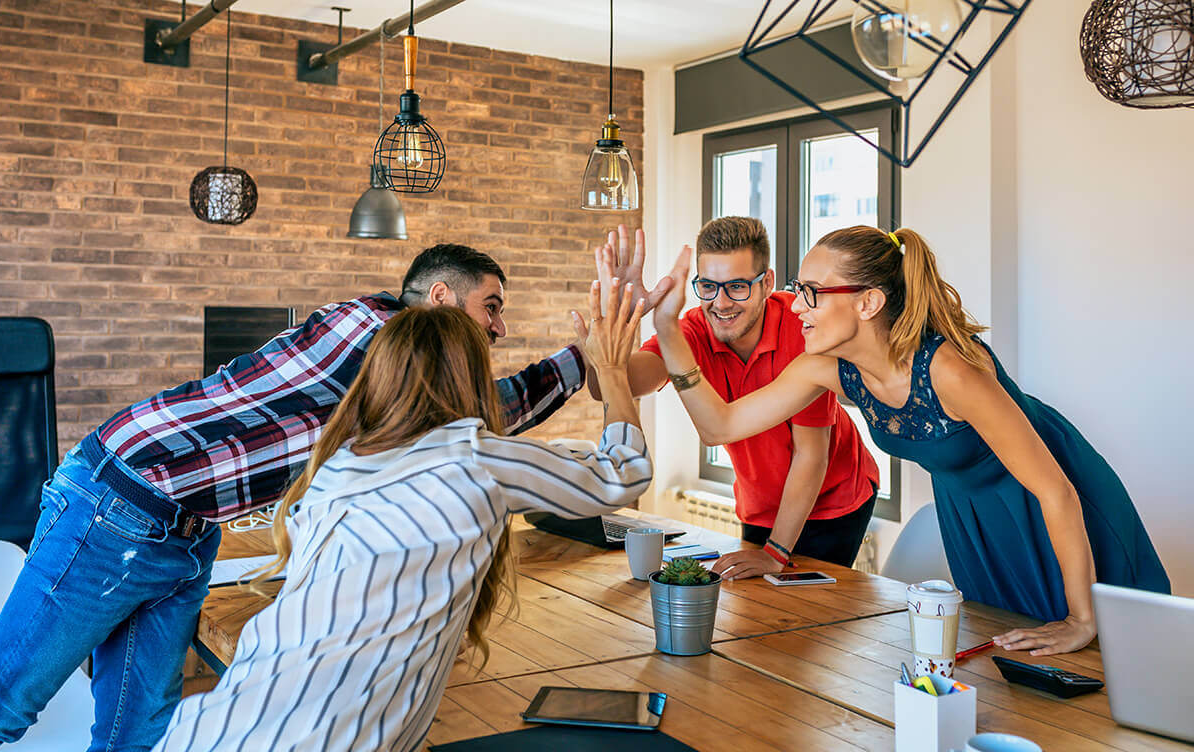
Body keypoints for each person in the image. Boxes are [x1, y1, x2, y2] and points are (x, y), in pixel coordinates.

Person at [0, 243, 592, 751]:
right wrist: (588, 361)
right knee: (7, 697)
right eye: (492, 307)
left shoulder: (379, 348)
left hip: (186, 529)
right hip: (119, 503)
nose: (499, 328)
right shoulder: (372, 331)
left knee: (139, 731)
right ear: (439, 297)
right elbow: (479, 414)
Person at [151, 280, 651, 752]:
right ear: (470, 378)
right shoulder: (474, 458)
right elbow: (624, 472)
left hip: (212, 729)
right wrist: (608, 370)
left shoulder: (339, 465)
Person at [649, 225, 1169, 656]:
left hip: (1054, 505)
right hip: (974, 518)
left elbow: (1056, 492)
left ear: (869, 302)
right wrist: (668, 328)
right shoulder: (828, 370)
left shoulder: (951, 372)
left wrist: (1082, 618)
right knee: (1018, 658)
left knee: (1107, 658)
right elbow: (720, 426)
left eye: (811, 292)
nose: (796, 306)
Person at [592, 220, 878, 577]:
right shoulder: (693, 331)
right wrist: (616, 319)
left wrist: (776, 552)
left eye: (738, 287)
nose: (721, 302)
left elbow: (812, 455)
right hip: (761, 503)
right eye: (709, 287)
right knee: (756, 608)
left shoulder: (802, 328)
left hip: (834, 499)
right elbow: (610, 383)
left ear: (767, 284)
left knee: (810, 620)